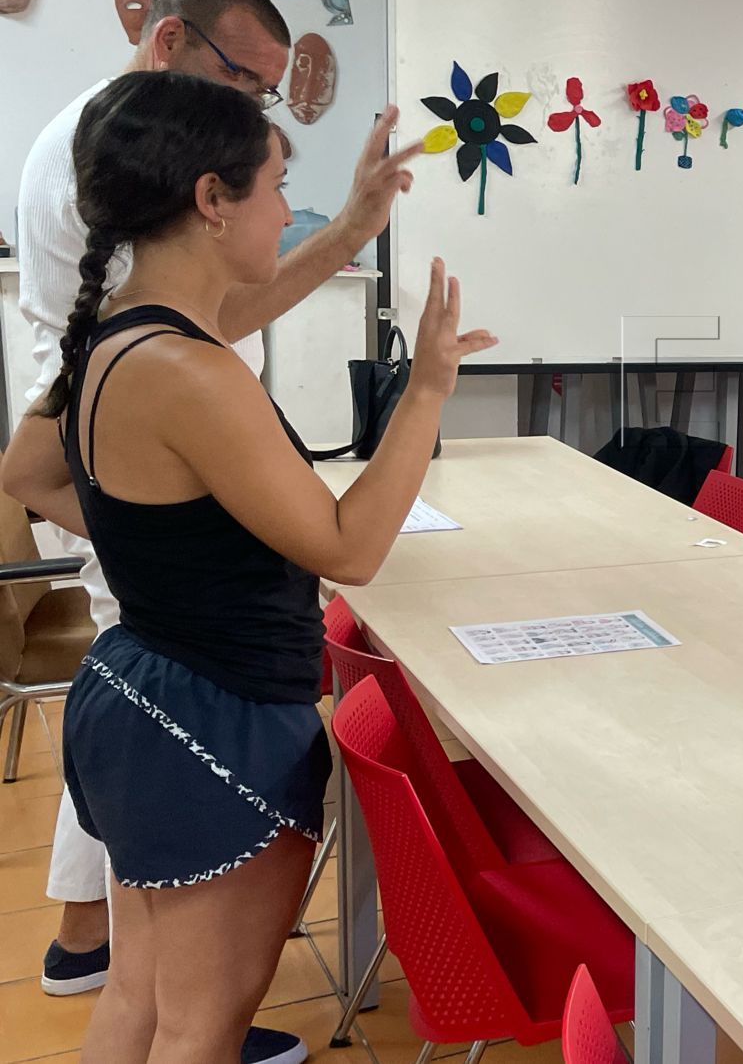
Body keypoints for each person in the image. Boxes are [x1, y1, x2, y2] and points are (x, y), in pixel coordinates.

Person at [0, 73, 496, 1064]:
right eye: (275, 185)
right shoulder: (189, 371)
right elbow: (349, 546)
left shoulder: (122, 334)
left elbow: (28, 469)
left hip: (138, 692)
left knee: (141, 998)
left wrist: (353, 226)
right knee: (202, 1024)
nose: (283, 208)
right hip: (209, 717)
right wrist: (429, 389)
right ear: (209, 201)